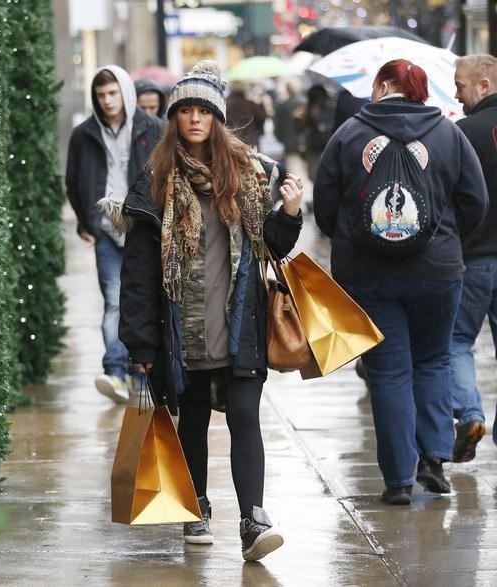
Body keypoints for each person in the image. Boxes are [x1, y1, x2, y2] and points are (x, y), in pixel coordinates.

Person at [114, 60, 304, 560]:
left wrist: (288, 211)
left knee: (246, 418)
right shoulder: (154, 182)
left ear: (217, 118)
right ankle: (196, 507)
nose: (195, 119)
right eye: (186, 110)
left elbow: (273, 247)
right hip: (182, 329)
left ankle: (253, 519)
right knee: (192, 419)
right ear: (174, 117)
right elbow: (137, 274)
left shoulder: (249, 175)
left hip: (240, 321)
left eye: (204, 110)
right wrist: (140, 343)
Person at [313, 59, 488, 506]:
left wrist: (353, 240)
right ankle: (432, 459)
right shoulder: (448, 133)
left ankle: (396, 480)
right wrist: (445, 240)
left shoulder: (349, 134)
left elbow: (325, 206)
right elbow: (475, 200)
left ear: (385, 85)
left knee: (387, 372)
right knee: (433, 362)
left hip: (369, 274)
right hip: (438, 273)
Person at [65, 66, 165, 403]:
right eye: (101, 95)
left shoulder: (154, 128)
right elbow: (74, 180)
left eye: (112, 93)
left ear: (125, 92)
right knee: (113, 300)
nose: (107, 101)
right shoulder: (84, 134)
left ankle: (143, 367)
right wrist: (86, 221)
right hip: (107, 229)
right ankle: (115, 371)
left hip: (144, 228)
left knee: (146, 298)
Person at [449, 54, 497, 461]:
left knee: (456, 343)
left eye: (461, 86)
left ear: (484, 86)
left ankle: (469, 414)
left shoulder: (464, 132)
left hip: (475, 255)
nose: (456, 93)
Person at [226, 83, 268, 150]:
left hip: (231, 142)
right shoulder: (250, 105)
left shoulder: (225, 105)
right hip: (250, 142)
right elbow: (262, 118)